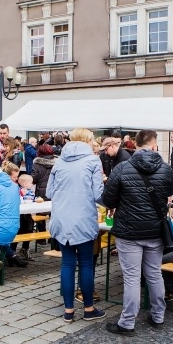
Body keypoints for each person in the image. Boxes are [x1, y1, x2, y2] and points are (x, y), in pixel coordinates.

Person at [102, 130, 173, 336]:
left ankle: (127, 322)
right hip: (155, 230)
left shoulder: (121, 168)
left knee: (132, 278)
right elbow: (172, 192)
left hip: (129, 231)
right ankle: (158, 315)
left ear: (135, 145)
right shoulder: (166, 169)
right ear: (154, 145)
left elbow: (108, 200)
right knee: (154, 273)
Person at [46, 128, 106, 322]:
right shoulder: (93, 161)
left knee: (67, 263)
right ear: (88, 141)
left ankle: (69, 310)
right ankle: (88, 308)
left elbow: (49, 192)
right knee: (86, 264)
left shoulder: (59, 161)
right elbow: (98, 194)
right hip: (83, 218)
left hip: (61, 218)